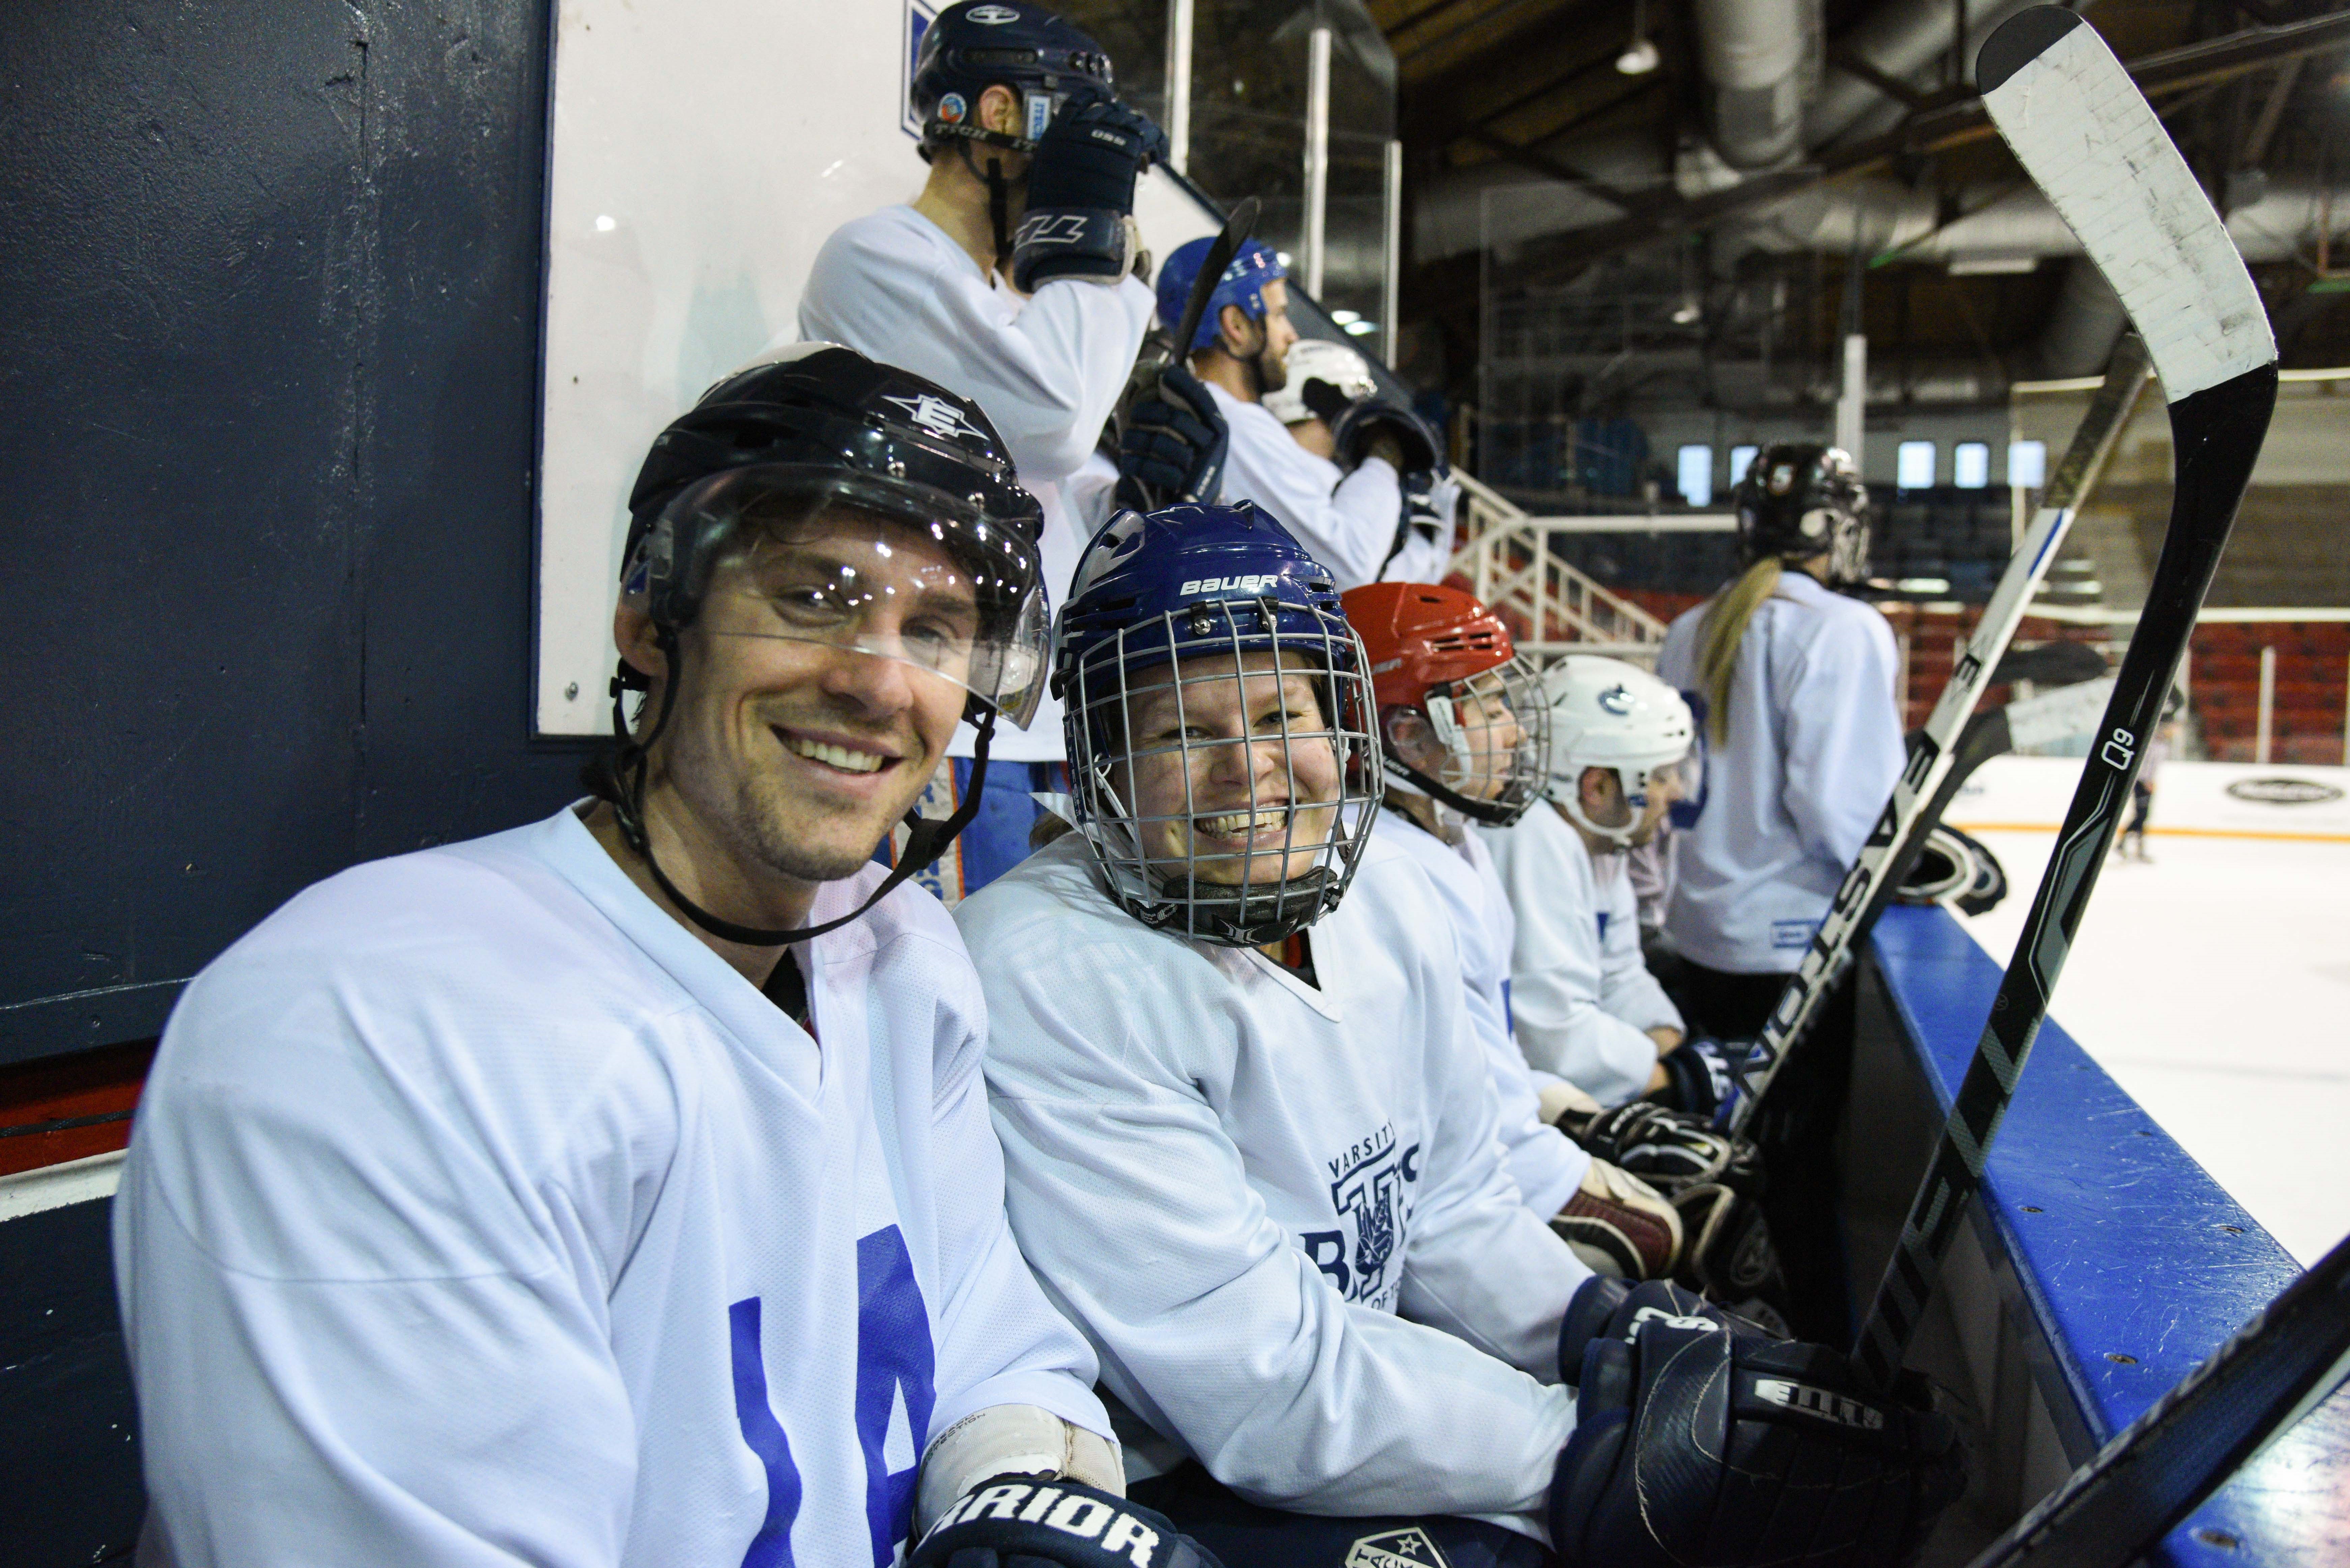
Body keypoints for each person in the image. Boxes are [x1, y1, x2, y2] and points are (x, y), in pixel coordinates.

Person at [113, 347, 1218, 1568]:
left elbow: (987, 1334)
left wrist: (1007, 1496)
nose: (877, 680)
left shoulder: (903, 951)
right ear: (649, 617)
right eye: (813, 596)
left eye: (937, 627)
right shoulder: (371, 1030)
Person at [959, 502, 1963, 1568]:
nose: (1248, 766)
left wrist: (1604, 1327)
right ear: (1100, 760)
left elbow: (1450, 1204)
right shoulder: (1045, 968)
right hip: (1182, 1471)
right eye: (1182, 731)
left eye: (1281, 715)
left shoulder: (1388, 891)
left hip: (1347, 1398)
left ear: (1342, 723)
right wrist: (1603, 1448)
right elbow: (1266, 1387)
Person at [795, 0, 1165, 901]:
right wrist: (1093, 241)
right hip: (941, 730)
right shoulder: (878, 256)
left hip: (1042, 730)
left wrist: (1139, 493)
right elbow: (1055, 417)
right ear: (997, 115)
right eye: (1072, 134)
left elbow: (1049, 488)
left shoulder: (1014, 309)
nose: (1083, 169)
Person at [1341, 581, 1684, 1282]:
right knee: (1666, 1239)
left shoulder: (1452, 839)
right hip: (1450, 1200)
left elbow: (1487, 1053)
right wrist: (1565, 1151)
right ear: (1407, 736)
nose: (1517, 730)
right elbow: (1462, 1116)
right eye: (1490, 706)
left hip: (1490, 1153)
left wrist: (1571, 1114)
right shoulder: (1387, 872)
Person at [1653, 442, 1903, 1344]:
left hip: (1695, 939)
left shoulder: (1691, 626)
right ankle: (1814, 1369)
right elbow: (1843, 811)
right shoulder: (1839, 629)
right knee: (1794, 1182)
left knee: (1718, 1166)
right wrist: (1910, 860)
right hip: (1786, 954)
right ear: (1835, 525)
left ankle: (1700, 1346)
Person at [1154, 237, 1454, 590]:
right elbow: (1348, 564)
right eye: (1279, 315)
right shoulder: (1229, 424)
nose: (1292, 336)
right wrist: (1383, 457)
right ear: (1236, 324)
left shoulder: (1224, 417)